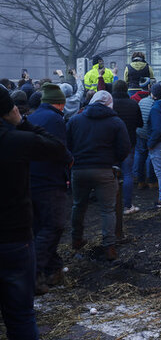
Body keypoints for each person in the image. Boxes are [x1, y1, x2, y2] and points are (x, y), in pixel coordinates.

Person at [0, 84, 72, 339]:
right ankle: (44, 270)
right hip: (13, 237)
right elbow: (60, 151)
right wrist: (22, 123)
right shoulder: (15, 140)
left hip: (18, 228)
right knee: (20, 317)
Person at [66, 90, 130, 261]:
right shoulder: (116, 122)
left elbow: (66, 145)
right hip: (104, 170)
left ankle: (76, 239)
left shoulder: (75, 120)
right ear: (110, 104)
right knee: (107, 209)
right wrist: (114, 160)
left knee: (78, 205)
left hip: (79, 170)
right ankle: (109, 246)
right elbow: (125, 147)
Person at [27, 84, 73, 296]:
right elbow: (58, 149)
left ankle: (53, 269)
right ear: (60, 102)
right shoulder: (55, 119)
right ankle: (34, 273)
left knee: (40, 226)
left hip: (31, 180)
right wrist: (69, 160)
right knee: (53, 225)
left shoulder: (33, 117)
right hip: (49, 181)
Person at [110, 81, 143, 214]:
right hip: (129, 142)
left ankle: (112, 205)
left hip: (111, 144)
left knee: (112, 174)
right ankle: (127, 205)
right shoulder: (133, 104)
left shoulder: (110, 104)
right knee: (127, 173)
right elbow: (140, 123)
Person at [134, 79, 155, 190]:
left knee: (140, 155)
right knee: (151, 156)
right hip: (151, 133)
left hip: (140, 131)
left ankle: (140, 180)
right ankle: (151, 180)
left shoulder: (141, 102)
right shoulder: (155, 103)